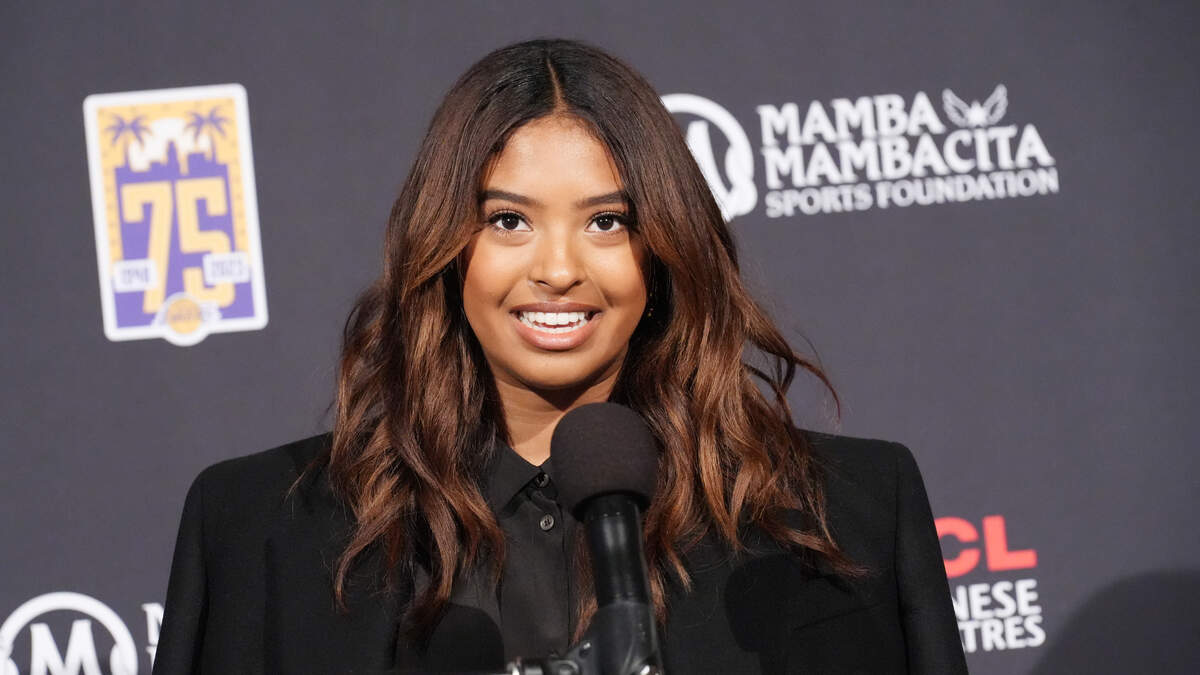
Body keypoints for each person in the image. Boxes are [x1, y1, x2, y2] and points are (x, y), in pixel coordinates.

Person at [152, 39, 967, 674]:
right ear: (446, 249)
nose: (557, 266)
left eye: (606, 221)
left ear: (663, 251)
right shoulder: (259, 529)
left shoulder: (848, 515)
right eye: (510, 220)